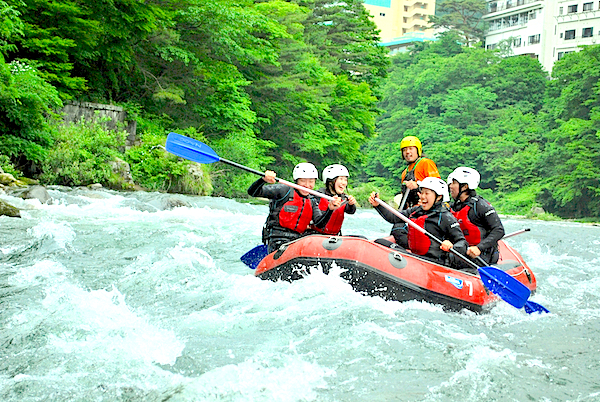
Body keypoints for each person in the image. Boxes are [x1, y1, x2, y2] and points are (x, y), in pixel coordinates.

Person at [368, 177, 468, 267]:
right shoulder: (417, 210)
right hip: (415, 257)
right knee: (380, 242)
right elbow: (394, 218)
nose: (422, 196)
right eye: (422, 192)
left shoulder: (445, 217)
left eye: (427, 193)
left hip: (434, 262)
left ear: (439, 197)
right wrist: (378, 205)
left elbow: (462, 242)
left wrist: (451, 246)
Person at [247, 162, 342, 253]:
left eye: (311, 181)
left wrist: (330, 209)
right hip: (278, 239)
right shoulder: (283, 190)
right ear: (296, 181)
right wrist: (263, 180)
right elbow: (253, 192)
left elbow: (319, 224)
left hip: (299, 240)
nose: (307, 185)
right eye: (303, 181)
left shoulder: (312, 200)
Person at [389, 136, 442, 243]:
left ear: (418, 150)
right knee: (397, 227)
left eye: (411, 149)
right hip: (413, 212)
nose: (407, 152)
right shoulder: (405, 172)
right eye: (404, 150)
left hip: (427, 212)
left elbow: (438, 186)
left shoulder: (426, 163)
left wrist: (418, 184)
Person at [447, 167, 505, 265]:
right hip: (461, 252)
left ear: (465, 187)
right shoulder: (453, 206)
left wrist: (479, 248)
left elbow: (499, 230)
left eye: (454, 183)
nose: (450, 186)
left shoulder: (480, 206)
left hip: (481, 255)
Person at [309, 164, 357, 235]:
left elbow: (351, 211)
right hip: (316, 235)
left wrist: (351, 204)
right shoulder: (318, 195)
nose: (344, 183)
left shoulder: (343, 198)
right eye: (341, 179)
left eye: (345, 180)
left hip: (334, 236)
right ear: (330, 181)